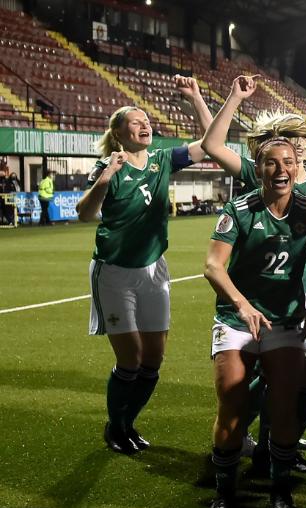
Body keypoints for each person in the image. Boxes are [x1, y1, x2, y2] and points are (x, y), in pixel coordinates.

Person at [202, 75, 306, 471]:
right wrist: (234, 97)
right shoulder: (258, 176)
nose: (288, 158)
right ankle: (245, 437)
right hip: (262, 296)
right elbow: (212, 146)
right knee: (249, 384)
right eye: (282, 145)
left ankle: (278, 450)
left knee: (297, 386)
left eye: (297, 146)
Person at [76, 75, 212, 455]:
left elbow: (211, 144)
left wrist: (197, 98)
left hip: (154, 269)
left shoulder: (161, 159)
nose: (145, 124)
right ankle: (116, 427)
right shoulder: (109, 166)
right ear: (118, 132)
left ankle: (126, 424)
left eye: (146, 120)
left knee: (154, 359)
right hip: (115, 272)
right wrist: (104, 180)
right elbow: (85, 215)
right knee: (131, 359)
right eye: (135, 121)